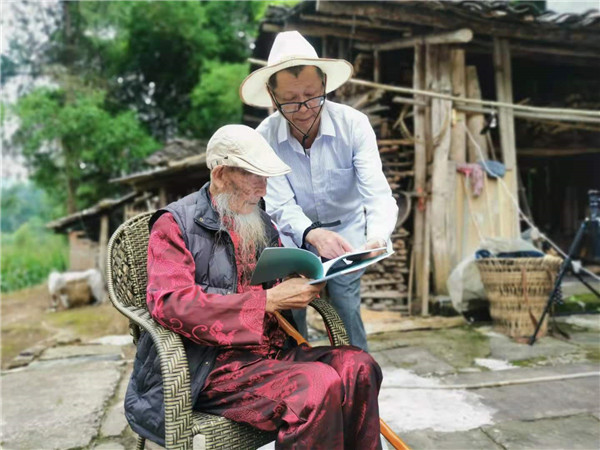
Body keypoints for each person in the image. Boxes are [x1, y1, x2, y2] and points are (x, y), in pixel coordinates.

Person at [124, 124, 383, 450]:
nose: (263, 188)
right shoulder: (175, 224)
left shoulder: (259, 221)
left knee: (359, 366)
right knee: (316, 386)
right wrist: (267, 301)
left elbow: (271, 279)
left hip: (271, 354)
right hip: (210, 367)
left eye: (266, 177)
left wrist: (301, 280)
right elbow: (170, 303)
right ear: (220, 175)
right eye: (253, 176)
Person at [240, 31, 398, 351]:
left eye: (312, 96)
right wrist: (312, 234)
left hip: (347, 237)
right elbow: (280, 204)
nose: (304, 108)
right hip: (292, 239)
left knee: (345, 308)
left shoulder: (354, 125)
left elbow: (377, 193)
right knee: (292, 312)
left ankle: (358, 372)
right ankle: (301, 372)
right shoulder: (264, 137)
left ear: (325, 84)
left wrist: (377, 237)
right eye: (290, 100)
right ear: (272, 95)